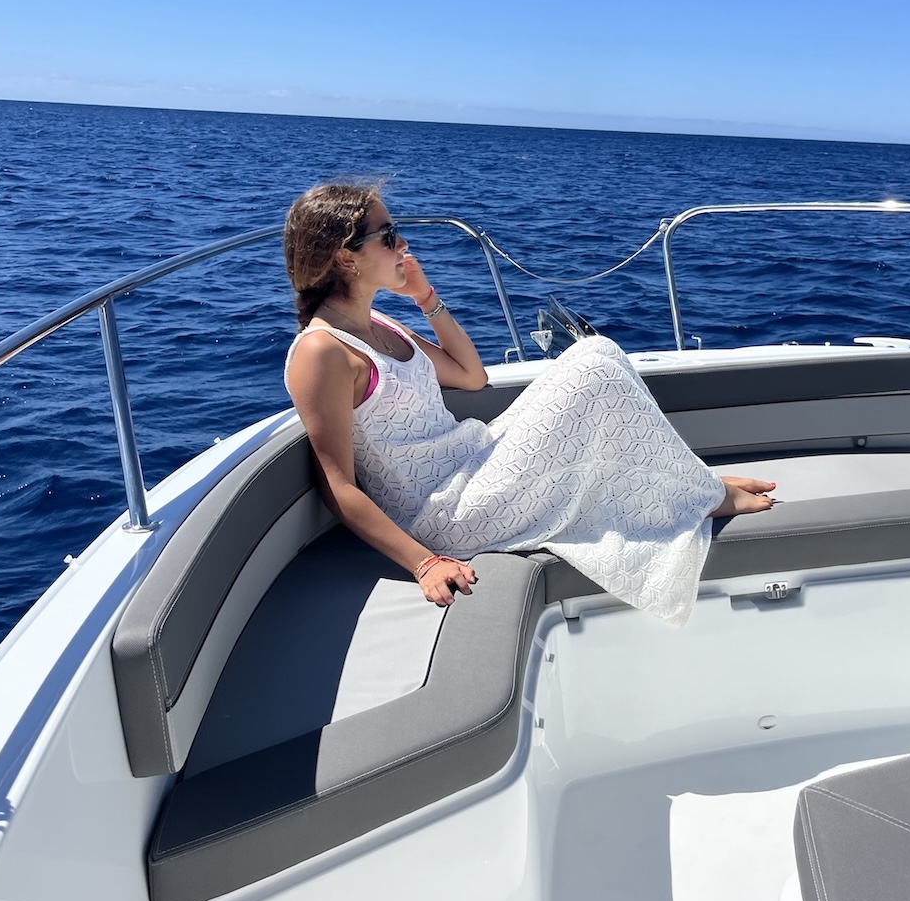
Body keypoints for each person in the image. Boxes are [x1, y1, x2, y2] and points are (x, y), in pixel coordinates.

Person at [282, 182, 775, 625]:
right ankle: (697, 493)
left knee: (594, 353)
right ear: (346, 258)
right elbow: (336, 484)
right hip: (443, 512)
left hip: (472, 460)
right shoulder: (322, 351)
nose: (404, 245)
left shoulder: (379, 324)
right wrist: (423, 561)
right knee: (595, 366)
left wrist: (426, 298)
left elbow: (471, 376)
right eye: (389, 236)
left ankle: (686, 484)